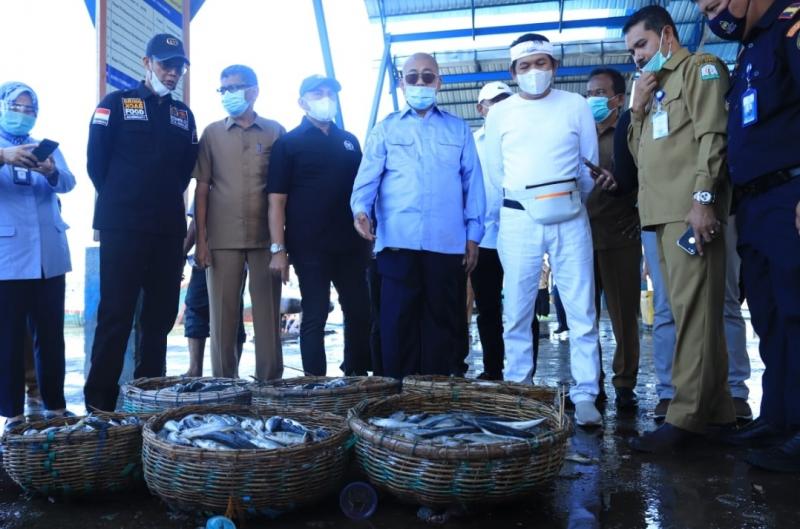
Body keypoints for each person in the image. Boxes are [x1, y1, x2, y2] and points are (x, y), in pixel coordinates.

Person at [484, 34, 611, 427]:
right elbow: (495, 174)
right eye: (525, 66)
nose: (534, 72)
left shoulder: (575, 106)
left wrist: (565, 201)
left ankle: (586, 393)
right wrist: (525, 202)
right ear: (513, 72)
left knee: (581, 306)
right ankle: (519, 386)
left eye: (541, 64)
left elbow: (587, 166)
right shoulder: (499, 114)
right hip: (518, 217)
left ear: (554, 66)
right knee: (517, 308)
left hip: (570, 214)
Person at [694, 0, 800, 472]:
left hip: (789, 194)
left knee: (798, 313)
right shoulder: (751, 47)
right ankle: (778, 418)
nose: (712, 15)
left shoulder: (789, 26)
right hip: (755, 204)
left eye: (716, 4)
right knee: (770, 316)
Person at [624, 5, 735, 451]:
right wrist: (635, 110)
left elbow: (714, 136)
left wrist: (703, 199)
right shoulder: (654, 88)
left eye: (642, 45)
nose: (635, 56)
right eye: (631, 49)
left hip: (688, 212)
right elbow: (641, 158)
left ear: (666, 35)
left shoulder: (698, 70)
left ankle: (686, 415)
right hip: (659, 214)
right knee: (690, 309)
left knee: (694, 311)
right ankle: (719, 410)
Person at [350, 53, 485, 379]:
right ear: (402, 83)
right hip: (398, 243)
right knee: (397, 323)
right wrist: (360, 210)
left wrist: (473, 235)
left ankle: (434, 394)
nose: (421, 83)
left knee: (443, 323)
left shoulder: (458, 130)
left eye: (428, 76)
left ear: (439, 82)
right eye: (413, 77)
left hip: (446, 245)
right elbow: (367, 179)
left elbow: (473, 185)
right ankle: (399, 397)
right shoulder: (385, 130)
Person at [85, 34, 198, 411]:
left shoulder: (184, 115)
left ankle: (148, 397)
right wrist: (126, 202)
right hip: (123, 226)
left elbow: (184, 174)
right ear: (146, 62)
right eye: (165, 64)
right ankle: (100, 403)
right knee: (116, 313)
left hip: (167, 230)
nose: (172, 72)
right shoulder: (115, 104)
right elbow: (96, 165)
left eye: (178, 66)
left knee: (161, 316)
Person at [268, 74, 371, 376]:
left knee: (360, 311)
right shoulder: (288, 144)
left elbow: (364, 191)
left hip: (352, 245)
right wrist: (278, 249)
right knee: (315, 314)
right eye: (317, 93)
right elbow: (276, 201)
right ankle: (316, 382)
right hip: (309, 246)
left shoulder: (349, 141)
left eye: (330, 93)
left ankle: (356, 373)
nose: (325, 98)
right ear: (302, 101)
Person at [194, 64, 284, 381]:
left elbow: (284, 192)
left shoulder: (275, 131)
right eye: (223, 90)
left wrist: (282, 247)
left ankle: (270, 387)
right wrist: (201, 241)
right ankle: (223, 387)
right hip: (221, 239)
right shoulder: (211, 134)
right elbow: (201, 189)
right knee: (222, 319)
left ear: (254, 90)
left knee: (268, 318)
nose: (228, 95)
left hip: (265, 240)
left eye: (234, 87)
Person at [0, 81, 75, 429]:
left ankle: (55, 407)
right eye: (17, 106)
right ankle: (12, 413)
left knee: (50, 335)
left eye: (31, 109)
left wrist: (52, 171)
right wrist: (4, 156)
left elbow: (69, 182)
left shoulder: (47, 147)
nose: (24, 114)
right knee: (9, 338)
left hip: (49, 254)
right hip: (9, 257)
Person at [585, 68, 643, 410]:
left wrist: (637, 212)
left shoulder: (631, 133)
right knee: (584, 316)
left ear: (618, 99)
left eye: (600, 92)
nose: (592, 98)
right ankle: (592, 383)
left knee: (623, 316)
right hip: (581, 238)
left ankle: (624, 383)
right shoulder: (581, 136)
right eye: (589, 92)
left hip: (620, 235)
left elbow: (647, 176)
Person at [471, 81, 513, 381]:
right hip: (485, 238)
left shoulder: (524, 137)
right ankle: (493, 369)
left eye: (505, 100)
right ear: (481, 108)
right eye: (493, 101)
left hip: (521, 234)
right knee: (487, 310)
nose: (499, 106)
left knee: (522, 308)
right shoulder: (472, 143)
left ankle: (525, 374)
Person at [181, 202, 246, 377]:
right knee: (231, 310)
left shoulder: (209, 182)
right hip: (218, 252)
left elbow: (196, 223)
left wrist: (182, 252)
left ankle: (202, 370)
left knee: (199, 308)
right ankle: (226, 372)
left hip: (213, 252)